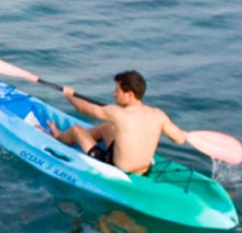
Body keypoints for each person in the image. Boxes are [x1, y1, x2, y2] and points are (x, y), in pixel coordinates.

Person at [47, 70, 188, 176]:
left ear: (130, 95)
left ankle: (58, 136)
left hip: (117, 169)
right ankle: (87, 139)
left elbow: (83, 108)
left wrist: (69, 95)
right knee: (108, 127)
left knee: (77, 130)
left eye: (117, 91)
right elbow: (180, 139)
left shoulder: (117, 113)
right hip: (144, 169)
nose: (114, 94)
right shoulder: (158, 114)